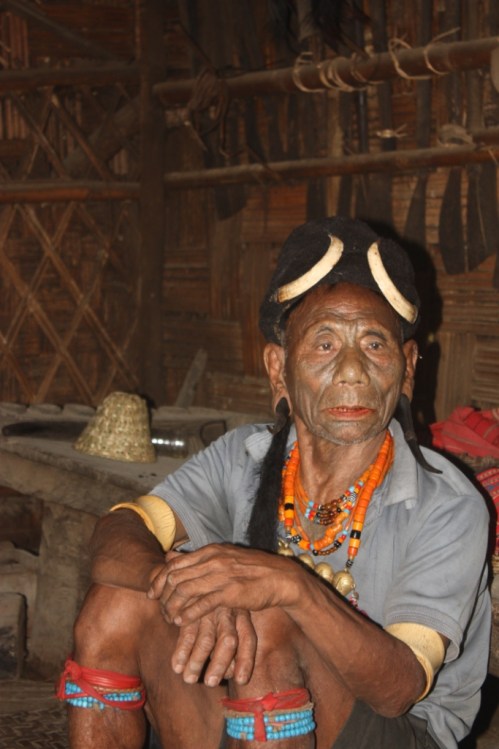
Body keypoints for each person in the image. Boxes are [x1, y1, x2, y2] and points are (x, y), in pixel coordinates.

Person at [58, 216, 491, 749]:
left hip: (399, 732)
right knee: (116, 603)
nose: (352, 370)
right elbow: (117, 533)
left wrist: (290, 587)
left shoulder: (447, 504)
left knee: (267, 622)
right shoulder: (245, 456)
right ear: (278, 369)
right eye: (325, 344)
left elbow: (398, 690)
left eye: (375, 345)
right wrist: (182, 587)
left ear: (407, 367)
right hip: (252, 701)